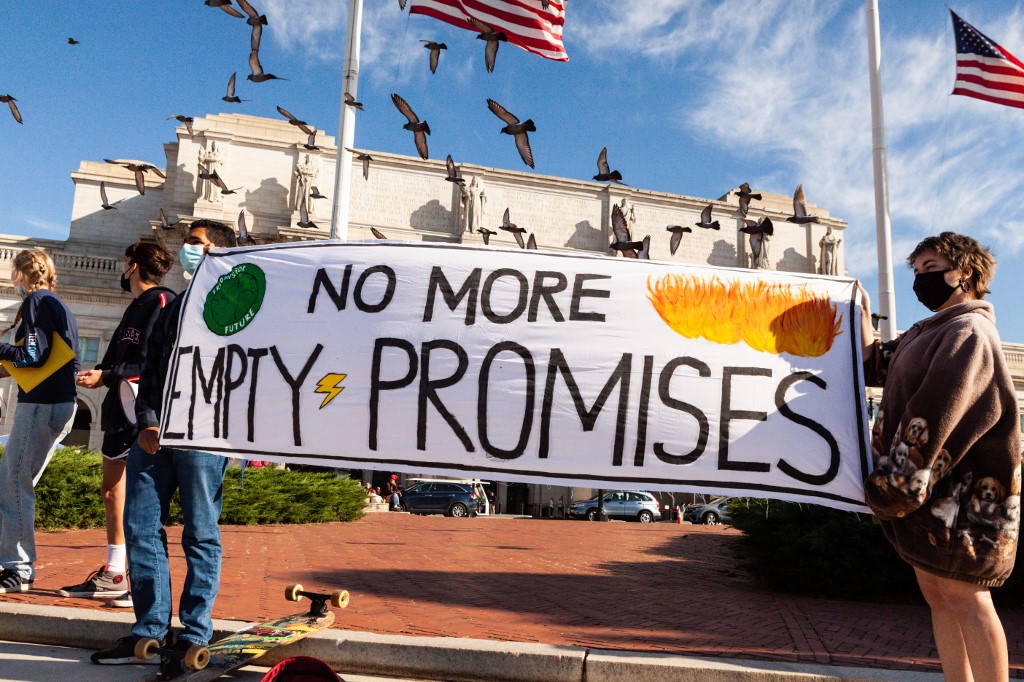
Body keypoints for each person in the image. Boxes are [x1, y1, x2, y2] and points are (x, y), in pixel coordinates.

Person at [859, 232, 1020, 682]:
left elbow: (935, 415)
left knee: (968, 598)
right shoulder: (928, 332)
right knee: (938, 594)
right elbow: (877, 366)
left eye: (929, 268)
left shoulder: (967, 332)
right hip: (933, 499)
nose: (920, 280)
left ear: (965, 271)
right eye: (916, 271)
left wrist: (894, 483)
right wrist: (859, 312)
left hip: (964, 501)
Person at [91, 219, 237, 676]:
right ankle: (149, 628)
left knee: (200, 533)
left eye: (196, 243)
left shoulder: (240, 303)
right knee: (139, 526)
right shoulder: (174, 304)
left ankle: (194, 632)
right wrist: (148, 421)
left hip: (207, 433)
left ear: (219, 252)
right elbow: (152, 364)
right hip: (158, 432)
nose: (187, 249)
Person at [59, 243, 174, 608]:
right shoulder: (134, 306)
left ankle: (134, 581)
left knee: (141, 499)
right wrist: (99, 375)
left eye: (126, 263)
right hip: (117, 405)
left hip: (138, 407)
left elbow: (151, 360)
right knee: (111, 492)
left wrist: (106, 375)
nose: (122, 268)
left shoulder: (161, 302)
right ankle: (115, 571)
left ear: (133, 267)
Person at [0, 249, 79, 593]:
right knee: (17, 482)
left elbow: (32, 355)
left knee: (13, 483)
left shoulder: (36, 302)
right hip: (58, 402)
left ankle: (16, 568)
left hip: (41, 404)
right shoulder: (56, 304)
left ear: (21, 274)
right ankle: (16, 564)